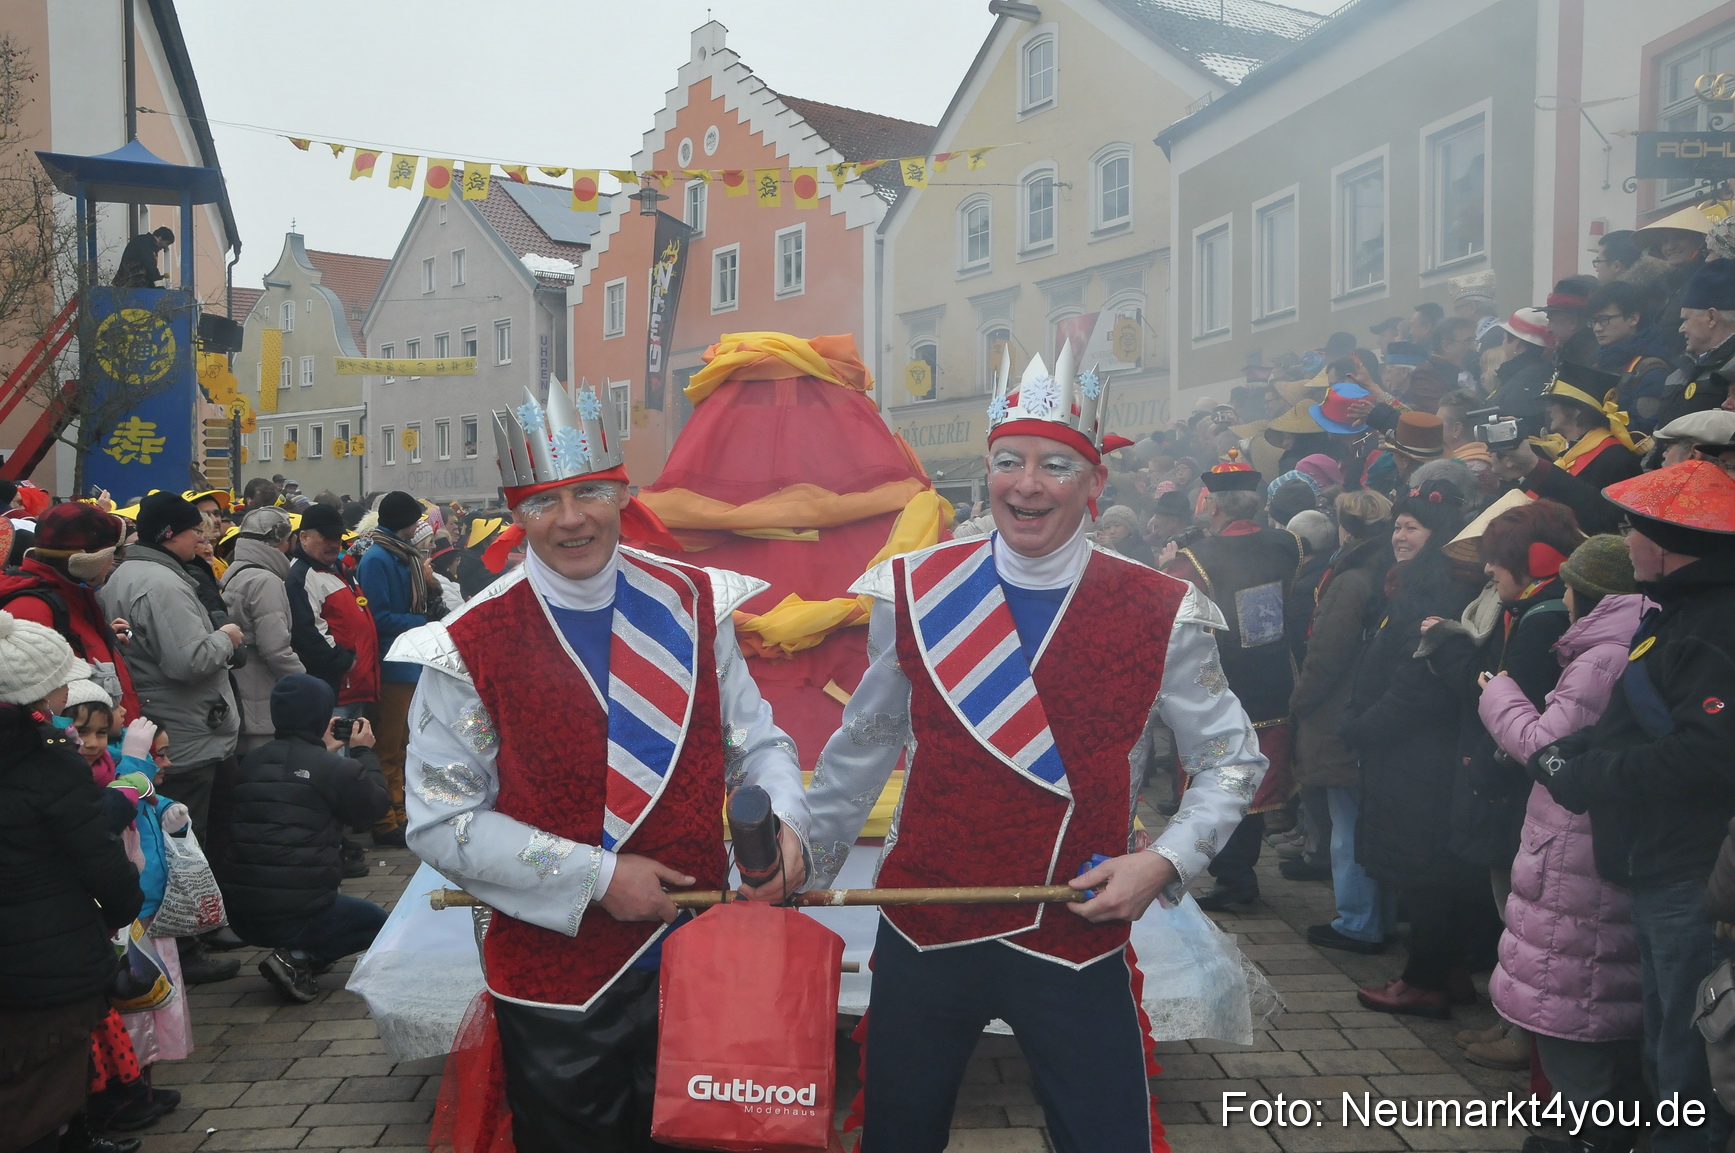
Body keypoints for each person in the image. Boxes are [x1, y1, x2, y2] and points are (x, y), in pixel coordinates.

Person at [804, 353, 1267, 1151]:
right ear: (985, 470)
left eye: (1055, 465)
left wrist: (1162, 863)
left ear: (1094, 482)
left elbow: (1231, 756)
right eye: (1008, 461)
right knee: (897, 1137)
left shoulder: (1161, 607)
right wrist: (802, 860)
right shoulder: (913, 588)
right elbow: (867, 741)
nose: (1026, 484)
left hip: (1074, 923)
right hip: (926, 921)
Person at [394, 378, 810, 1151]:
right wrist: (596, 876)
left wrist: (785, 825)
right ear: (515, 515)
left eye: (590, 491)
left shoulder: (695, 602)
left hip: (705, 953)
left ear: (623, 491)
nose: (572, 517)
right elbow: (441, 821)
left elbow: (756, 744)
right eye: (545, 500)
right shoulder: (467, 645)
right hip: (557, 981)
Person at [1527, 460, 1735, 1153]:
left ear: (1665, 542)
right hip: (1657, 865)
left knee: (1688, 1064)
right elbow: (1635, 718)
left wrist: (1592, 775)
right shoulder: (1675, 610)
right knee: (1664, 1049)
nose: (1624, 540)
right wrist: (1573, 749)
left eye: (1631, 528)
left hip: (1688, 870)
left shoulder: (1713, 625)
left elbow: (1705, 753)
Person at [1476, 534, 1645, 1145]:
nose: (1564, 596)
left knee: (1577, 1006)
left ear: (1591, 595)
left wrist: (1495, 692)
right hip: (1588, 855)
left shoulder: (1602, 657)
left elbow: (1544, 745)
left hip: (1577, 857)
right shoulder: (1625, 641)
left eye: (1570, 586)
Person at [1347, 479, 1492, 1018]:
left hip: (1421, 754)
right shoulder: (1416, 581)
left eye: (1411, 527)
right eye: (1396, 525)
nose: (1399, 535)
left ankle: (1424, 979)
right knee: (1431, 870)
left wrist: (1365, 726)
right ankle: (1447, 970)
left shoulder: (1439, 587)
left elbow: (1417, 680)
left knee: (1426, 870)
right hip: (1410, 750)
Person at [0, 611, 144, 1153]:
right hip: (48, 946)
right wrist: (119, 906)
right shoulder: (48, 763)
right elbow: (98, 858)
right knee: (40, 1084)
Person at [1162, 453, 1301, 911]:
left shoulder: (1194, 559)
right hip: (1277, 679)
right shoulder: (1287, 544)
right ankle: (1239, 876)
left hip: (1220, 687)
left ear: (1214, 506)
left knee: (1222, 773)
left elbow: (1175, 621)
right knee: (1259, 778)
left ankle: (1235, 880)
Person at [217, 674, 389, 1004]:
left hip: (240, 915)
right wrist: (364, 752)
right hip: (297, 914)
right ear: (324, 716)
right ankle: (297, 957)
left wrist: (320, 750)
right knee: (378, 922)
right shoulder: (333, 769)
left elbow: (294, 773)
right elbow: (373, 808)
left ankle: (302, 955)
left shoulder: (251, 761)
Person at [99, 491, 243, 839]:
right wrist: (227, 638)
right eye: (195, 529)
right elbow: (189, 661)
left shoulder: (128, 573)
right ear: (169, 534)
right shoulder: (161, 584)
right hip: (187, 738)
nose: (203, 536)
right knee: (191, 839)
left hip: (172, 727)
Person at [1293, 489, 1394, 952]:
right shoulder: (1387, 566)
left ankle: (1357, 920)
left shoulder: (1351, 577)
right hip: (1373, 709)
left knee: (1348, 824)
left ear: (1345, 526)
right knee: (1371, 819)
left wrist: (1301, 700)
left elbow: (1327, 652)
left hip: (1341, 711)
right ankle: (1378, 915)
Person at [355, 491, 444, 846]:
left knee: (407, 743)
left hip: (410, 660)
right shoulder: (379, 558)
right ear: (403, 522)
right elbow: (378, 617)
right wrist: (421, 619)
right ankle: (386, 818)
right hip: (393, 664)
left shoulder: (401, 554)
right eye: (415, 519)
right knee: (389, 745)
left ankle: (404, 809)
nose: (419, 525)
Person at [0, 502, 137, 716]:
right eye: (112, 552)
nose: (112, 560)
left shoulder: (68, 596)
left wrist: (98, 641)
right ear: (87, 562)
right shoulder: (32, 609)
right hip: (82, 744)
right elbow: (39, 707)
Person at [1492, 364, 1644, 535]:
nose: (1548, 409)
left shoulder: (1616, 458)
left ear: (1577, 409)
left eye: (1553, 402)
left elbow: (1607, 519)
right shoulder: (1565, 452)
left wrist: (1533, 466)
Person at [219, 508, 306, 755]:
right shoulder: (266, 581)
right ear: (283, 540)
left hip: (238, 692)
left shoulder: (233, 571)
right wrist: (305, 681)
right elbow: (275, 648)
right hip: (261, 703)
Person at [286, 502, 378, 724]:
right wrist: (343, 662)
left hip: (355, 686)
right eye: (327, 538)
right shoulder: (301, 575)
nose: (335, 544)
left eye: (337, 537)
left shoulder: (339, 568)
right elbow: (306, 632)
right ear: (304, 537)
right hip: (335, 689)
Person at [1652, 259, 1735, 435]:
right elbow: (1659, 439)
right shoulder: (1678, 374)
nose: (1681, 329)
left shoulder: (1731, 372)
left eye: (1685, 319)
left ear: (1712, 317)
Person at [1588, 280, 1674, 433]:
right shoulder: (1601, 363)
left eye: (1604, 320)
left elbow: (1642, 434)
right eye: (1594, 321)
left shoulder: (1652, 371)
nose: (1597, 328)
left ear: (1633, 319)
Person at [1485, 308, 1555, 437]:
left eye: (1504, 339)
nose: (1502, 345)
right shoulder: (1542, 373)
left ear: (1517, 344)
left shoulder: (1524, 380)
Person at [1408, 317, 1480, 412]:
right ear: (1446, 346)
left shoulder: (1474, 366)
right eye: (1468, 341)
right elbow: (1446, 414)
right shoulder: (1425, 375)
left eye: (1475, 340)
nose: (1474, 347)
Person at [1541, 276, 1601, 370]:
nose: (1548, 330)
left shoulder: (1583, 362)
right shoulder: (1573, 354)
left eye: (1551, 321)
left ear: (1573, 322)